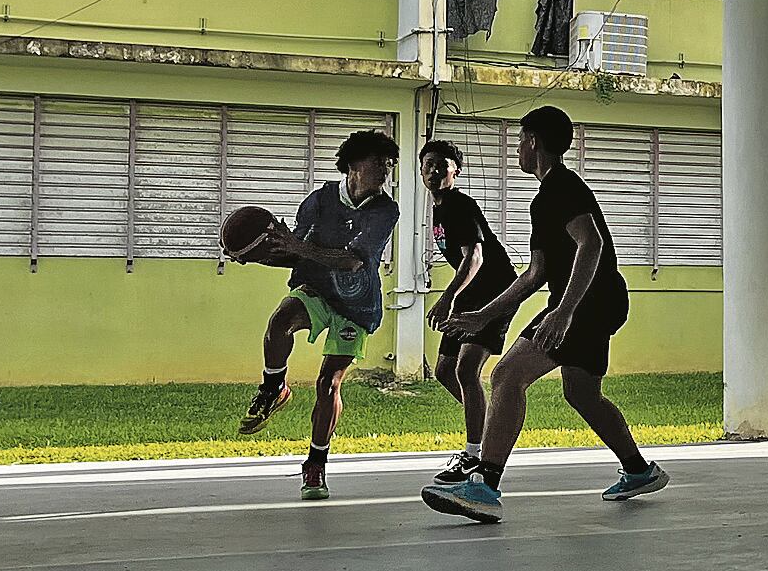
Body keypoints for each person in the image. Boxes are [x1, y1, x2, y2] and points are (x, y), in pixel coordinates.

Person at [422, 106, 664, 522]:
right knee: (581, 393)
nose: (516, 148)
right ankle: (639, 470)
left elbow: (592, 246)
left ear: (533, 141)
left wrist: (565, 311)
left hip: (587, 303)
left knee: (506, 374)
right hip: (592, 301)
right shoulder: (547, 196)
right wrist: (483, 315)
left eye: (519, 140)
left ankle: (484, 485)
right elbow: (534, 274)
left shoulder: (560, 189)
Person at [235, 130, 401, 501]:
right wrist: (258, 254)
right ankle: (274, 387)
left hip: (356, 304)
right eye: (380, 162)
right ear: (355, 164)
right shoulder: (320, 200)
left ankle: (316, 463)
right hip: (316, 288)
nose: (386, 170)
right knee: (280, 321)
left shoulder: (384, 210)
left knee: (328, 385)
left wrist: (297, 246)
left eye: (390, 165)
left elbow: (354, 260)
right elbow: (296, 252)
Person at [417, 140, 520, 486]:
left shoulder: (461, 205)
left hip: (494, 293)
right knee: (445, 369)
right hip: (469, 295)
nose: (433, 171)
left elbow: (474, 256)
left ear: (455, 171)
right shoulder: (440, 208)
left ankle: (475, 454)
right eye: (427, 165)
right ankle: (488, 428)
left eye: (441, 165)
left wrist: (448, 297)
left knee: (465, 368)